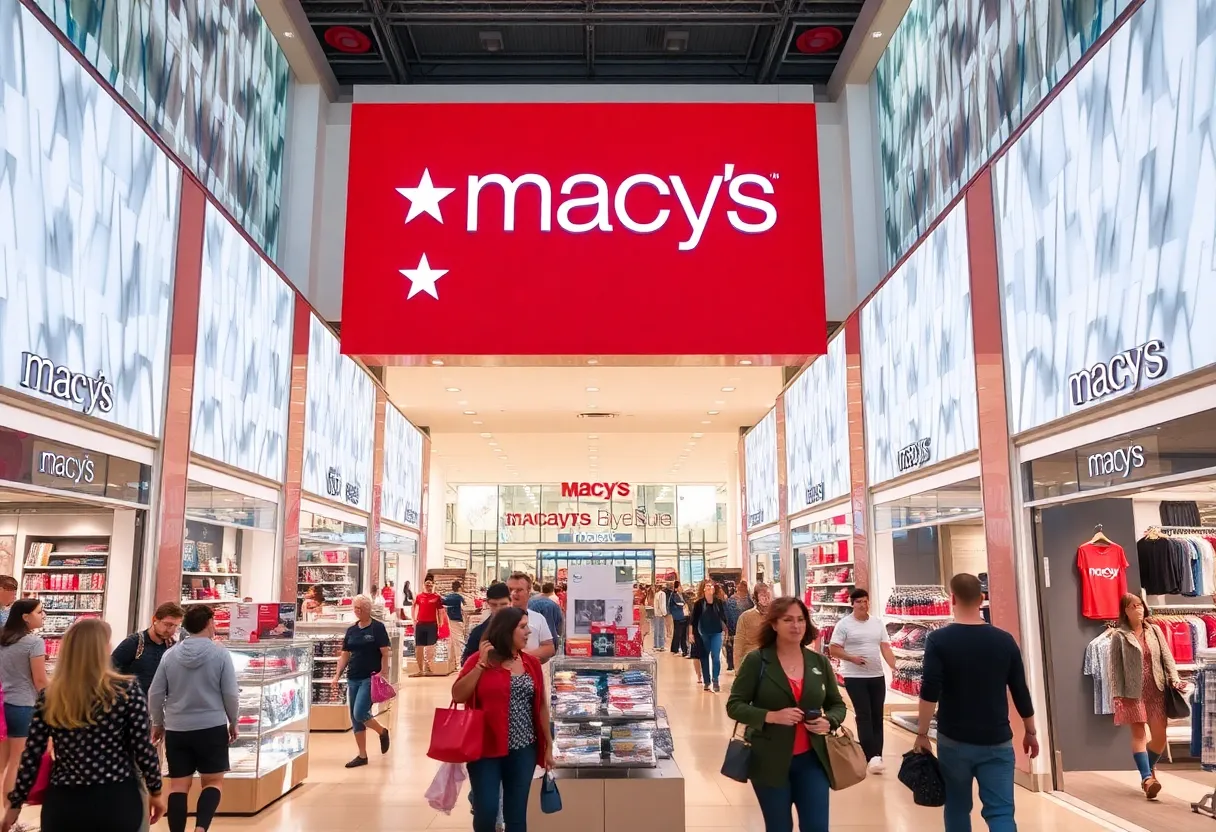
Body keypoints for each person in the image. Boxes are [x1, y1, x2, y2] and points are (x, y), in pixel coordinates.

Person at [1, 618, 165, 832]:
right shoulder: (126, 690)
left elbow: (32, 755)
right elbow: (142, 747)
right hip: (117, 797)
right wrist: (156, 791)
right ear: (101, 649)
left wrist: (14, 805)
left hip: (65, 801)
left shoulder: (51, 696)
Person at [913, 574, 1038, 832]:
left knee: (958, 807)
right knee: (1001, 812)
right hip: (997, 740)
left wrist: (922, 733)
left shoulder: (939, 640)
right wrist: (1031, 731)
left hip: (954, 740)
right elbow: (1020, 691)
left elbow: (930, 689)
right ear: (982, 599)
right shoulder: (1005, 641)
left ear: (952, 599)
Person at [726, 597, 846, 832]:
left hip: (812, 760)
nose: (796, 626)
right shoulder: (757, 661)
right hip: (769, 760)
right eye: (788, 620)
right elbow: (735, 705)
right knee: (779, 826)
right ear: (774, 624)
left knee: (817, 826)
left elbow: (837, 705)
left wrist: (828, 721)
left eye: (801, 619)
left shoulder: (819, 662)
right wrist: (770, 716)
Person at [452, 607, 553, 832]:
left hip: (523, 748)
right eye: (523, 627)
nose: (528, 632)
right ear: (506, 630)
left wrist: (548, 745)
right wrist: (480, 665)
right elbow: (458, 695)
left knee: (516, 815)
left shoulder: (531, 664)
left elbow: (542, 706)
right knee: (486, 811)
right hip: (484, 748)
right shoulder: (478, 661)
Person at [148, 604, 239, 832]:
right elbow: (229, 692)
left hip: (178, 728)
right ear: (208, 624)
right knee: (213, 782)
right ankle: (200, 828)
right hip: (211, 726)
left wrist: (158, 722)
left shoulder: (170, 655)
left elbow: (155, 693)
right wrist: (233, 720)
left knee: (178, 785)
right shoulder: (220, 653)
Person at [1110, 592, 1181, 800]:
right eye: (1133, 606)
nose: (1139, 609)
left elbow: (1167, 656)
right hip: (1133, 693)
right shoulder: (1119, 636)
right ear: (1125, 611)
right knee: (1139, 734)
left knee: (1160, 738)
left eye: (1140, 605)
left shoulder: (1155, 631)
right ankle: (1147, 778)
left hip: (1157, 689)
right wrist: (1117, 694)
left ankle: (1146, 772)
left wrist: (1174, 678)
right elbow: (1115, 668)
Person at [828, 588, 896, 773]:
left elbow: (885, 647)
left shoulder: (877, 623)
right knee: (864, 714)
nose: (863, 605)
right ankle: (870, 756)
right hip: (854, 677)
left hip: (876, 676)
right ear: (852, 604)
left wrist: (894, 666)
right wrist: (852, 658)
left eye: (865, 601)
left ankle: (877, 755)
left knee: (877, 715)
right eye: (859, 602)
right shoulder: (844, 625)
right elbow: (833, 650)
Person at [331, 595, 392, 768]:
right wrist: (337, 675)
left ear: (367, 609)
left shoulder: (377, 628)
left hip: (370, 677)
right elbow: (345, 654)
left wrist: (383, 672)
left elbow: (385, 652)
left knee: (360, 712)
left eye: (359, 608)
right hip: (353, 677)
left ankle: (382, 731)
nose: (356, 611)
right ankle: (362, 755)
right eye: (355, 608)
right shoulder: (351, 631)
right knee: (355, 719)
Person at [0, 598, 47, 819]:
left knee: (2, 763)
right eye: (39, 612)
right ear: (25, 617)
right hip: (23, 706)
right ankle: (9, 817)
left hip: (3, 704)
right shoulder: (34, 642)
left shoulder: (3, 638)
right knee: (17, 763)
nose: (43, 615)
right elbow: (40, 681)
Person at [112, 602, 185, 695]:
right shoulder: (134, 643)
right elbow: (110, 670)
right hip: (135, 702)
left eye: (176, 626)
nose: (172, 630)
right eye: (168, 624)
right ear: (154, 619)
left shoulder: (173, 647)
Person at [506, 573, 555, 663]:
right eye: (510, 589)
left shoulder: (538, 618)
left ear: (529, 592)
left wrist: (524, 657)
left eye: (519, 590)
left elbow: (549, 648)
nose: (513, 593)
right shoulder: (498, 619)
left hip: (531, 673)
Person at [462, 583, 513, 666]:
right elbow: (466, 663)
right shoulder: (478, 632)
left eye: (503, 604)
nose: (498, 609)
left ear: (511, 602)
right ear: (488, 603)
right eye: (494, 605)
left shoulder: (520, 628)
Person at [692, 581, 727, 692]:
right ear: (703, 589)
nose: (709, 587)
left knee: (716, 657)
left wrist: (726, 630)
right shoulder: (699, 604)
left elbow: (723, 617)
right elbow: (693, 620)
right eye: (707, 586)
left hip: (717, 632)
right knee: (704, 656)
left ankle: (715, 679)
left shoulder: (718, 602)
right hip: (703, 633)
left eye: (711, 586)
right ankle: (707, 681)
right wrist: (690, 633)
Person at [411, 575, 446, 676]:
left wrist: (441, 624)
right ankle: (420, 670)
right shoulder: (419, 596)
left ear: (433, 585)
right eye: (427, 585)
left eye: (430, 585)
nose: (429, 587)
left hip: (432, 624)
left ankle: (429, 667)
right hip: (421, 624)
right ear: (424, 585)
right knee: (419, 647)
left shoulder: (437, 597)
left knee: (431, 647)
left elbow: (440, 611)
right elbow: (414, 607)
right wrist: (413, 619)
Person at [735, 582, 772, 668]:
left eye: (768, 595)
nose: (766, 598)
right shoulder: (745, 617)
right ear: (756, 598)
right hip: (752, 662)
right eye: (763, 595)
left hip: (772, 662)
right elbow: (739, 644)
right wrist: (738, 668)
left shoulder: (777, 616)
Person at [528, 582, 564, 655]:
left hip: (533, 642)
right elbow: (560, 622)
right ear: (552, 590)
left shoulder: (531, 601)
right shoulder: (554, 604)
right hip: (552, 641)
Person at [724, 580, 750, 671]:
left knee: (735, 646)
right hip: (744, 628)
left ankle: (732, 664)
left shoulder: (731, 600)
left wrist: (728, 629)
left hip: (735, 627)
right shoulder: (749, 600)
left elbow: (728, 616)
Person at [443, 580, 467, 655]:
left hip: (450, 619)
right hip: (458, 620)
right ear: (459, 588)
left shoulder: (447, 597)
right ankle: (459, 662)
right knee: (459, 641)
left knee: (452, 641)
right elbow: (464, 609)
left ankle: (453, 662)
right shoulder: (460, 597)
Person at [669, 580, 690, 656]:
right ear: (676, 588)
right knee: (678, 634)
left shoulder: (683, 595)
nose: (681, 588)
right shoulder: (674, 596)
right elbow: (678, 605)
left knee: (683, 634)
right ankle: (675, 649)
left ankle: (684, 650)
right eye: (680, 586)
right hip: (678, 617)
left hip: (684, 617)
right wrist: (683, 606)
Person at [652, 581, 668, 652]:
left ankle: (656, 645)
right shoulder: (662, 594)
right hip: (660, 614)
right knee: (661, 630)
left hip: (656, 614)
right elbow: (662, 605)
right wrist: (664, 613)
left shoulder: (656, 594)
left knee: (656, 629)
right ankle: (661, 645)